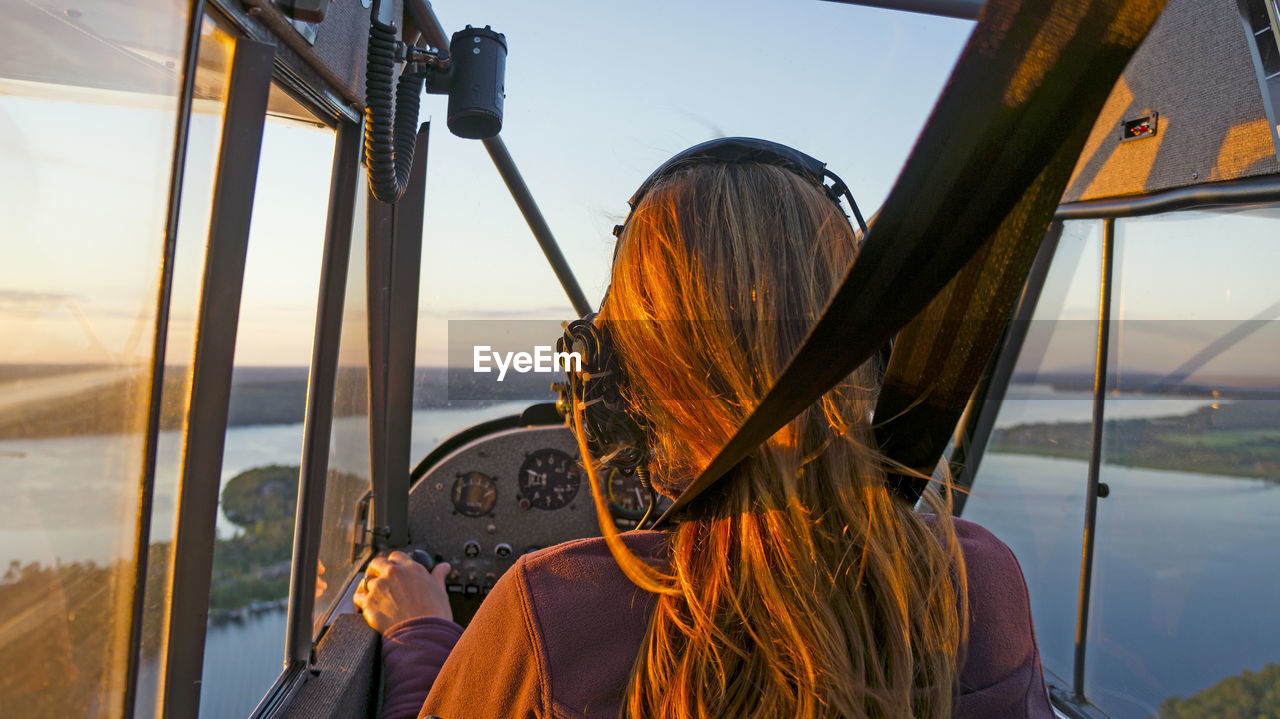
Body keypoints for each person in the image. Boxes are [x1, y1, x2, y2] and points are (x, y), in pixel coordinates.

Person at [353, 139, 1055, 719]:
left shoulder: (552, 611)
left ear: (619, 387)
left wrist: (419, 632)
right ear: (873, 353)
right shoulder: (979, 581)